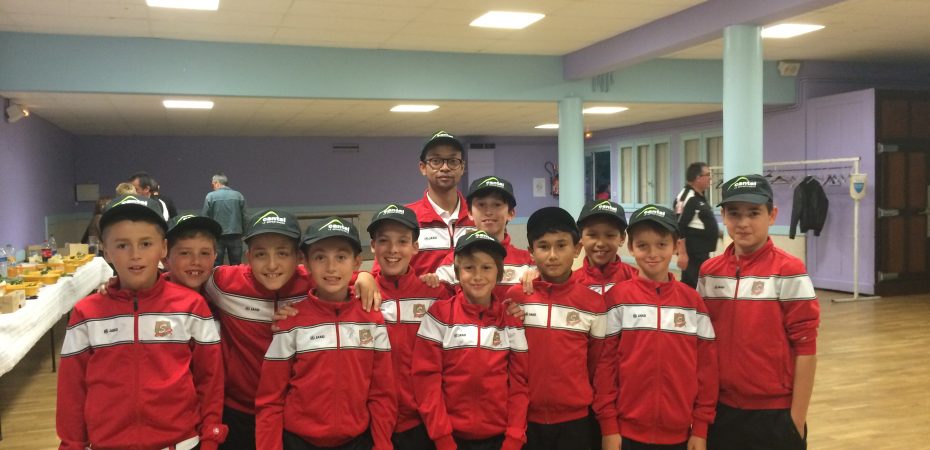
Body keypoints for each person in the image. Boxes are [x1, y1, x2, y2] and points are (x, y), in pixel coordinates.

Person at [57, 194, 227, 450]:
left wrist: (210, 438)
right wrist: (72, 444)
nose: (135, 255)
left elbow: (210, 380)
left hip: (181, 443)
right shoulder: (86, 313)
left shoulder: (192, 307)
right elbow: (72, 389)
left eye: (146, 243)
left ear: (163, 248)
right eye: (122, 245)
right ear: (106, 250)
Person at [205, 209, 381, 450]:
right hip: (238, 410)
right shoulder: (224, 283)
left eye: (282, 253)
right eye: (260, 254)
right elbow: (184, 278)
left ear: (299, 258)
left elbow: (339, 272)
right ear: (248, 257)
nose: (272, 264)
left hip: (288, 413)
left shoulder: (311, 280)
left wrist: (365, 276)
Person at [697, 174, 820, 450]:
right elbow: (702, 344)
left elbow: (806, 348)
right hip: (721, 412)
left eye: (753, 213)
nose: (743, 222)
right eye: (734, 213)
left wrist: (796, 421)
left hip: (774, 415)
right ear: (723, 216)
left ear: (771, 215)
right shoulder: (709, 272)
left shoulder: (789, 270)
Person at [256, 217, 396, 450]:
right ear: (306, 263)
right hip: (298, 441)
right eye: (320, 257)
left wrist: (382, 444)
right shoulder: (290, 321)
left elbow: (383, 393)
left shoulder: (372, 319)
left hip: (356, 441)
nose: (331, 268)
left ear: (357, 262)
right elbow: (270, 400)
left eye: (341, 257)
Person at [595, 204, 718, 450]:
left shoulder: (692, 302)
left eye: (661, 244)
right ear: (631, 248)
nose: (653, 253)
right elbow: (605, 366)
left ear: (676, 246)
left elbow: (707, 369)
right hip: (626, 433)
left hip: (681, 434)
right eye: (643, 245)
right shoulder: (617, 299)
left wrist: (700, 428)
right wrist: (609, 426)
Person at [412, 231, 529, 450]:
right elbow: (427, 382)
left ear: (499, 273)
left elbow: (519, 384)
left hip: (501, 439)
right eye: (469, 267)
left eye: (486, 267)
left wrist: (514, 437)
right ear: (457, 273)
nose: (477, 276)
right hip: (449, 438)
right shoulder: (439, 316)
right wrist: (442, 437)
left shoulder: (511, 320)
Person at [504, 207, 606, 450]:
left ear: (577, 249)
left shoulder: (593, 304)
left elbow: (596, 363)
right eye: (543, 246)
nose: (552, 255)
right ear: (531, 252)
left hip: (576, 422)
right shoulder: (516, 297)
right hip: (525, 419)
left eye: (561, 245)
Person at [368, 204, 451, 449]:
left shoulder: (435, 295)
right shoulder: (360, 296)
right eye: (384, 241)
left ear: (415, 247)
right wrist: (361, 277)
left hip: (423, 421)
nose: (393, 249)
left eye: (402, 241)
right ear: (372, 246)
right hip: (373, 420)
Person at [432, 176, 534, 299]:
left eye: (497, 204)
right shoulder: (452, 260)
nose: (489, 212)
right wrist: (429, 282)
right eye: (481, 204)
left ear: (511, 213)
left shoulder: (528, 263)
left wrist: (539, 277)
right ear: (470, 213)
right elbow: (439, 303)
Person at [402, 131, 476, 275]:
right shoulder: (406, 218)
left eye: (453, 161)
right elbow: (383, 274)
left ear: (462, 168)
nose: (445, 168)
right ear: (423, 167)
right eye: (436, 161)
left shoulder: (478, 216)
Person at [572, 200, 639, 295]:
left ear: (622, 238)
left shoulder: (635, 278)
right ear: (580, 237)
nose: (601, 243)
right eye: (592, 235)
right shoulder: (571, 283)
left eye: (610, 235)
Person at [674, 162, 719, 288]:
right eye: (707, 175)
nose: (710, 178)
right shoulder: (686, 197)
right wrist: (682, 254)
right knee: (691, 286)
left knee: (701, 286)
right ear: (698, 178)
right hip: (692, 254)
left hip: (702, 253)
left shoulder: (700, 196)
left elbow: (698, 220)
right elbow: (678, 226)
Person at [164, 214, 223, 292]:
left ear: (215, 256)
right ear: (165, 259)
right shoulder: (152, 297)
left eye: (204, 253)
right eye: (185, 253)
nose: (196, 261)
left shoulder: (221, 293)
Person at [202, 172, 248, 266]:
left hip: (217, 235)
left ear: (216, 183)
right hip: (235, 235)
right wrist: (244, 233)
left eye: (213, 184)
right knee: (236, 265)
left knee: (216, 265)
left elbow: (205, 217)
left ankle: (217, 276)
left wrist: (207, 235)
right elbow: (245, 216)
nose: (213, 187)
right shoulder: (238, 195)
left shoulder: (210, 196)